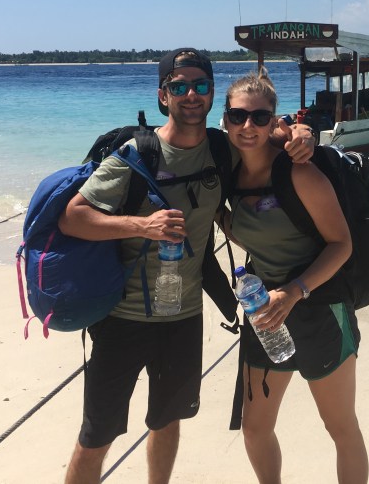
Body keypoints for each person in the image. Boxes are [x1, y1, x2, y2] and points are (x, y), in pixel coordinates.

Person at [58, 49, 314, 484]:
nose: (190, 95)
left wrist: (301, 131)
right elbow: (73, 216)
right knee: (97, 433)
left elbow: (268, 134)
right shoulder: (134, 155)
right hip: (123, 317)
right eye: (179, 86)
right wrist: (143, 225)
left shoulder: (221, 148)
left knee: (167, 419)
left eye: (200, 86)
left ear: (213, 94)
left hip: (183, 316)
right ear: (163, 96)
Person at [222, 67, 369, 484]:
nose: (247, 126)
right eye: (238, 116)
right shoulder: (228, 172)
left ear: (274, 121)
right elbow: (244, 226)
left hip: (319, 306)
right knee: (254, 427)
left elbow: (342, 244)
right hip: (263, 310)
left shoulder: (299, 171)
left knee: (340, 428)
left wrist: (293, 291)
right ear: (226, 120)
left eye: (259, 117)